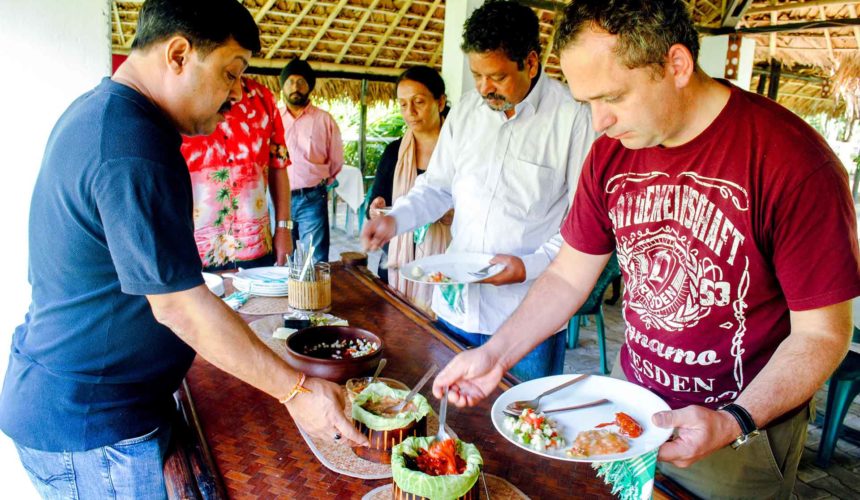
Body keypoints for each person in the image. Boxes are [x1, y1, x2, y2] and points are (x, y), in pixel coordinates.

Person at [432, 0, 860, 498]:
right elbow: (569, 275)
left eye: (612, 96)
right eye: (585, 101)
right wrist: (495, 355)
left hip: (738, 432)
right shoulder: (612, 150)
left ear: (676, 66)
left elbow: (822, 334)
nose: (597, 122)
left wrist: (734, 420)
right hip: (628, 406)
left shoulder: (792, 162)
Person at [0, 1, 366, 497]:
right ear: (178, 54)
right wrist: (297, 392)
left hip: (99, 400)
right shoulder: (130, 144)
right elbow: (178, 306)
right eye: (230, 74)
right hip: (94, 423)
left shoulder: (108, 114)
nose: (238, 93)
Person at [362, 0, 595, 381]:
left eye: (498, 77)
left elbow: (580, 223)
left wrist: (528, 267)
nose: (485, 88)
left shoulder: (572, 119)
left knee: (521, 425)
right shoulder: (468, 113)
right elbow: (436, 187)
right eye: (476, 75)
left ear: (531, 63)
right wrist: (395, 220)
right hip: (457, 309)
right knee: (451, 419)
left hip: (526, 318)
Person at [181, 76, 292, 271]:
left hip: (254, 247)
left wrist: (284, 228)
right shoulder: (181, 101)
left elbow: (279, 165)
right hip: (194, 250)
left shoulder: (262, 98)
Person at [367, 66, 453, 313]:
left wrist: (455, 215)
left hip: (445, 264)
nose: (410, 112)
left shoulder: (459, 152)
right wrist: (376, 209)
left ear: (440, 102)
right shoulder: (395, 152)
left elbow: (480, 207)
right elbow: (374, 204)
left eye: (418, 102)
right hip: (396, 262)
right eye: (403, 104)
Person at [279, 59, 343, 263]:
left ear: (310, 86)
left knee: (314, 259)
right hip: (279, 199)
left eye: (301, 81)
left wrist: (321, 181)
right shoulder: (274, 118)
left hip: (312, 198)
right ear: (282, 86)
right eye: (290, 81)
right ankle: (286, 296)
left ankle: (313, 296)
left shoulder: (324, 120)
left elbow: (336, 160)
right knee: (281, 257)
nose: (295, 87)